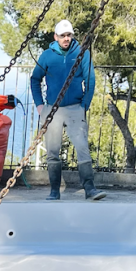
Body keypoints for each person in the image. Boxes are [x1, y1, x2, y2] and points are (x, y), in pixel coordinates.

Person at [31, 20, 105, 201]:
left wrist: (84, 105)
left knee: (82, 148)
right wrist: (40, 105)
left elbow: (90, 80)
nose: (66, 39)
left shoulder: (82, 53)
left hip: (74, 108)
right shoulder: (47, 56)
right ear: (55, 37)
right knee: (52, 152)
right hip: (52, 109)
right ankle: (54, 191)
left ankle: (90, 189)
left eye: (69, 35)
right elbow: (35, 79)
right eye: (62, 35)